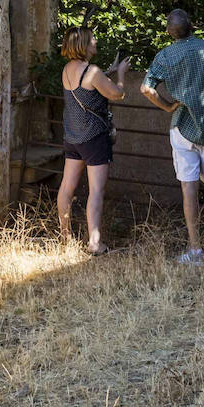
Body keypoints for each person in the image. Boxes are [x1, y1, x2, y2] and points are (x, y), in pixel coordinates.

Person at [140, 9, 204, 265]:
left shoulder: (165, 56)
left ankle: (195, 250)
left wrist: (169, 105)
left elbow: (145, 88)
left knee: (188, 189)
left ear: (170, 32)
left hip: (182, 128)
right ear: (192, 26)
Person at [57, 27, 129, 255]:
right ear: (84, 45)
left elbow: (87, 86)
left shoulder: (67, 69)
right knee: (96, 190)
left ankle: (65, 237)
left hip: (73, 137)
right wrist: (121, 74)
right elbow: (117, 94)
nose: (96, 41)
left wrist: (107, 71)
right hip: (94, 137)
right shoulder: (93, 71)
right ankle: (95, 243)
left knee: (67, 187)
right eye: (92, 39)